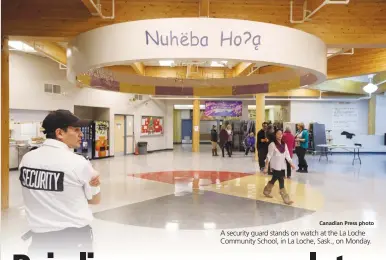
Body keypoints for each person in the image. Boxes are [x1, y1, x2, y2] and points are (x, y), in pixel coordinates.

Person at [19, 109, 101, 259]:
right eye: (76, 130)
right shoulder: (78, 162)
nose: (81, 134)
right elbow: (95, 200)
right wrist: (96, 184)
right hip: (74, 241)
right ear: (59, 133)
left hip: (39, 241)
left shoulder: (27, 159)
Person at [263, 129, 296, 205]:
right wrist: (266, 166)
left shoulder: (284, 144)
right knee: (281, 180)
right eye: (278, 134)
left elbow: (287, 155)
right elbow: (269, 155)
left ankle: (266, 191)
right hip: (275, 166)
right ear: (275, 135)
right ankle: (286, 198)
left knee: (274, 178)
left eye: (281, 134)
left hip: (282, 166)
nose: (280, 135)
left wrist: (291, 163)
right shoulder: (272, 144)